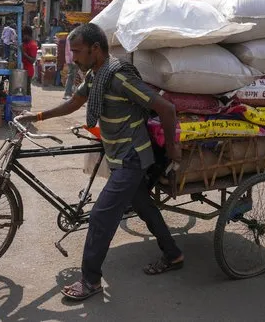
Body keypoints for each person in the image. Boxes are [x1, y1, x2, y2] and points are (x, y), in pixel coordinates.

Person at [18, 23, 184, 301]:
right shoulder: (96, 76)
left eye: (79, 52)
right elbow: (74, 103)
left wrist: (173, 149)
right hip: (117, 154)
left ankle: (91, 281)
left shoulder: (118, 77)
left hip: (132, 156)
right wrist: (38, 116)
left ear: (96, 49)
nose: (75, 58)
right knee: (144, 206)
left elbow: (166, 108)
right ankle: (174, 254)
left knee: (100, 217)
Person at [21, 25, 38, 96]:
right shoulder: (25, 43)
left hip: (28, 71)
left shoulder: (32, 45)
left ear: (27, 34)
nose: (22, 37)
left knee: (27, 89)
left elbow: (32, 60)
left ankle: (27, 103)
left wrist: (23, 53)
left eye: (23, 35)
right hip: (23, 69)